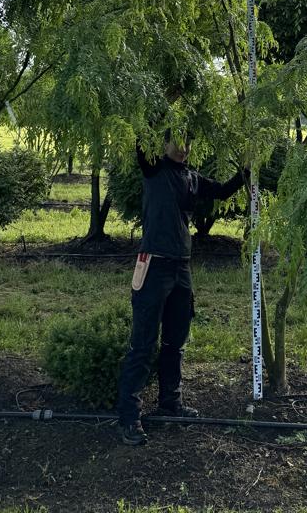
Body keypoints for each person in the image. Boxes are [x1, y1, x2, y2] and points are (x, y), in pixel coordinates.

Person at [116, 131, 247, 446]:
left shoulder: (191, 177)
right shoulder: (153, 168)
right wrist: (166, 100)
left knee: (175, 341)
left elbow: (224, 191)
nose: (184, 148)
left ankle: (170, 402)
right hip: (154, 265)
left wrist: (248, 171)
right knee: (143, 344)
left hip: (181, 268)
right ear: (162, 145)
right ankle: (129, 417)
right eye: (177, 141)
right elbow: (141, 138)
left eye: (189, 142)